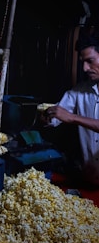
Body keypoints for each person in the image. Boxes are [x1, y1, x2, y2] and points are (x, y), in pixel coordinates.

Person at [42, 27, 99, 189]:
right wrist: (48, 116)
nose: (85, 69)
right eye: (83, 63)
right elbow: (57, 115)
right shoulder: (79, 91)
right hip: (88, 180)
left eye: (90, 61)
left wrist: (72, 117)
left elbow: (69, 116)